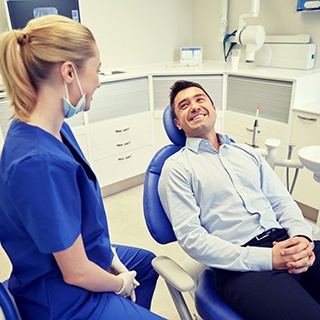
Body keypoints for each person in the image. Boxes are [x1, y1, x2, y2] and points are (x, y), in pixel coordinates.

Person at [0, 15, 165, 320]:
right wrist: (118, 283)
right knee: (130, 279)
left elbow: (80, 220)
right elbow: (76, 274)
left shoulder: (54, 128)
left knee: (145, 263)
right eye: (97, 70)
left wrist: (111, 257)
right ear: (69, 72)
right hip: (65, 299)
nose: (99, 81)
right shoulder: (37, 163)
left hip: (81, 258)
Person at [158, 80, 320, 320]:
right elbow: (192, 239)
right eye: (184, 105)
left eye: (200, 99)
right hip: (242, 267)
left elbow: (282, 201)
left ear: (213, 108)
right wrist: (267, 259)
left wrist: (302, 238)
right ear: (177, 123)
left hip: (287, 242)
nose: (194, 106)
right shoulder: (177, 168)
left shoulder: (247, 153)